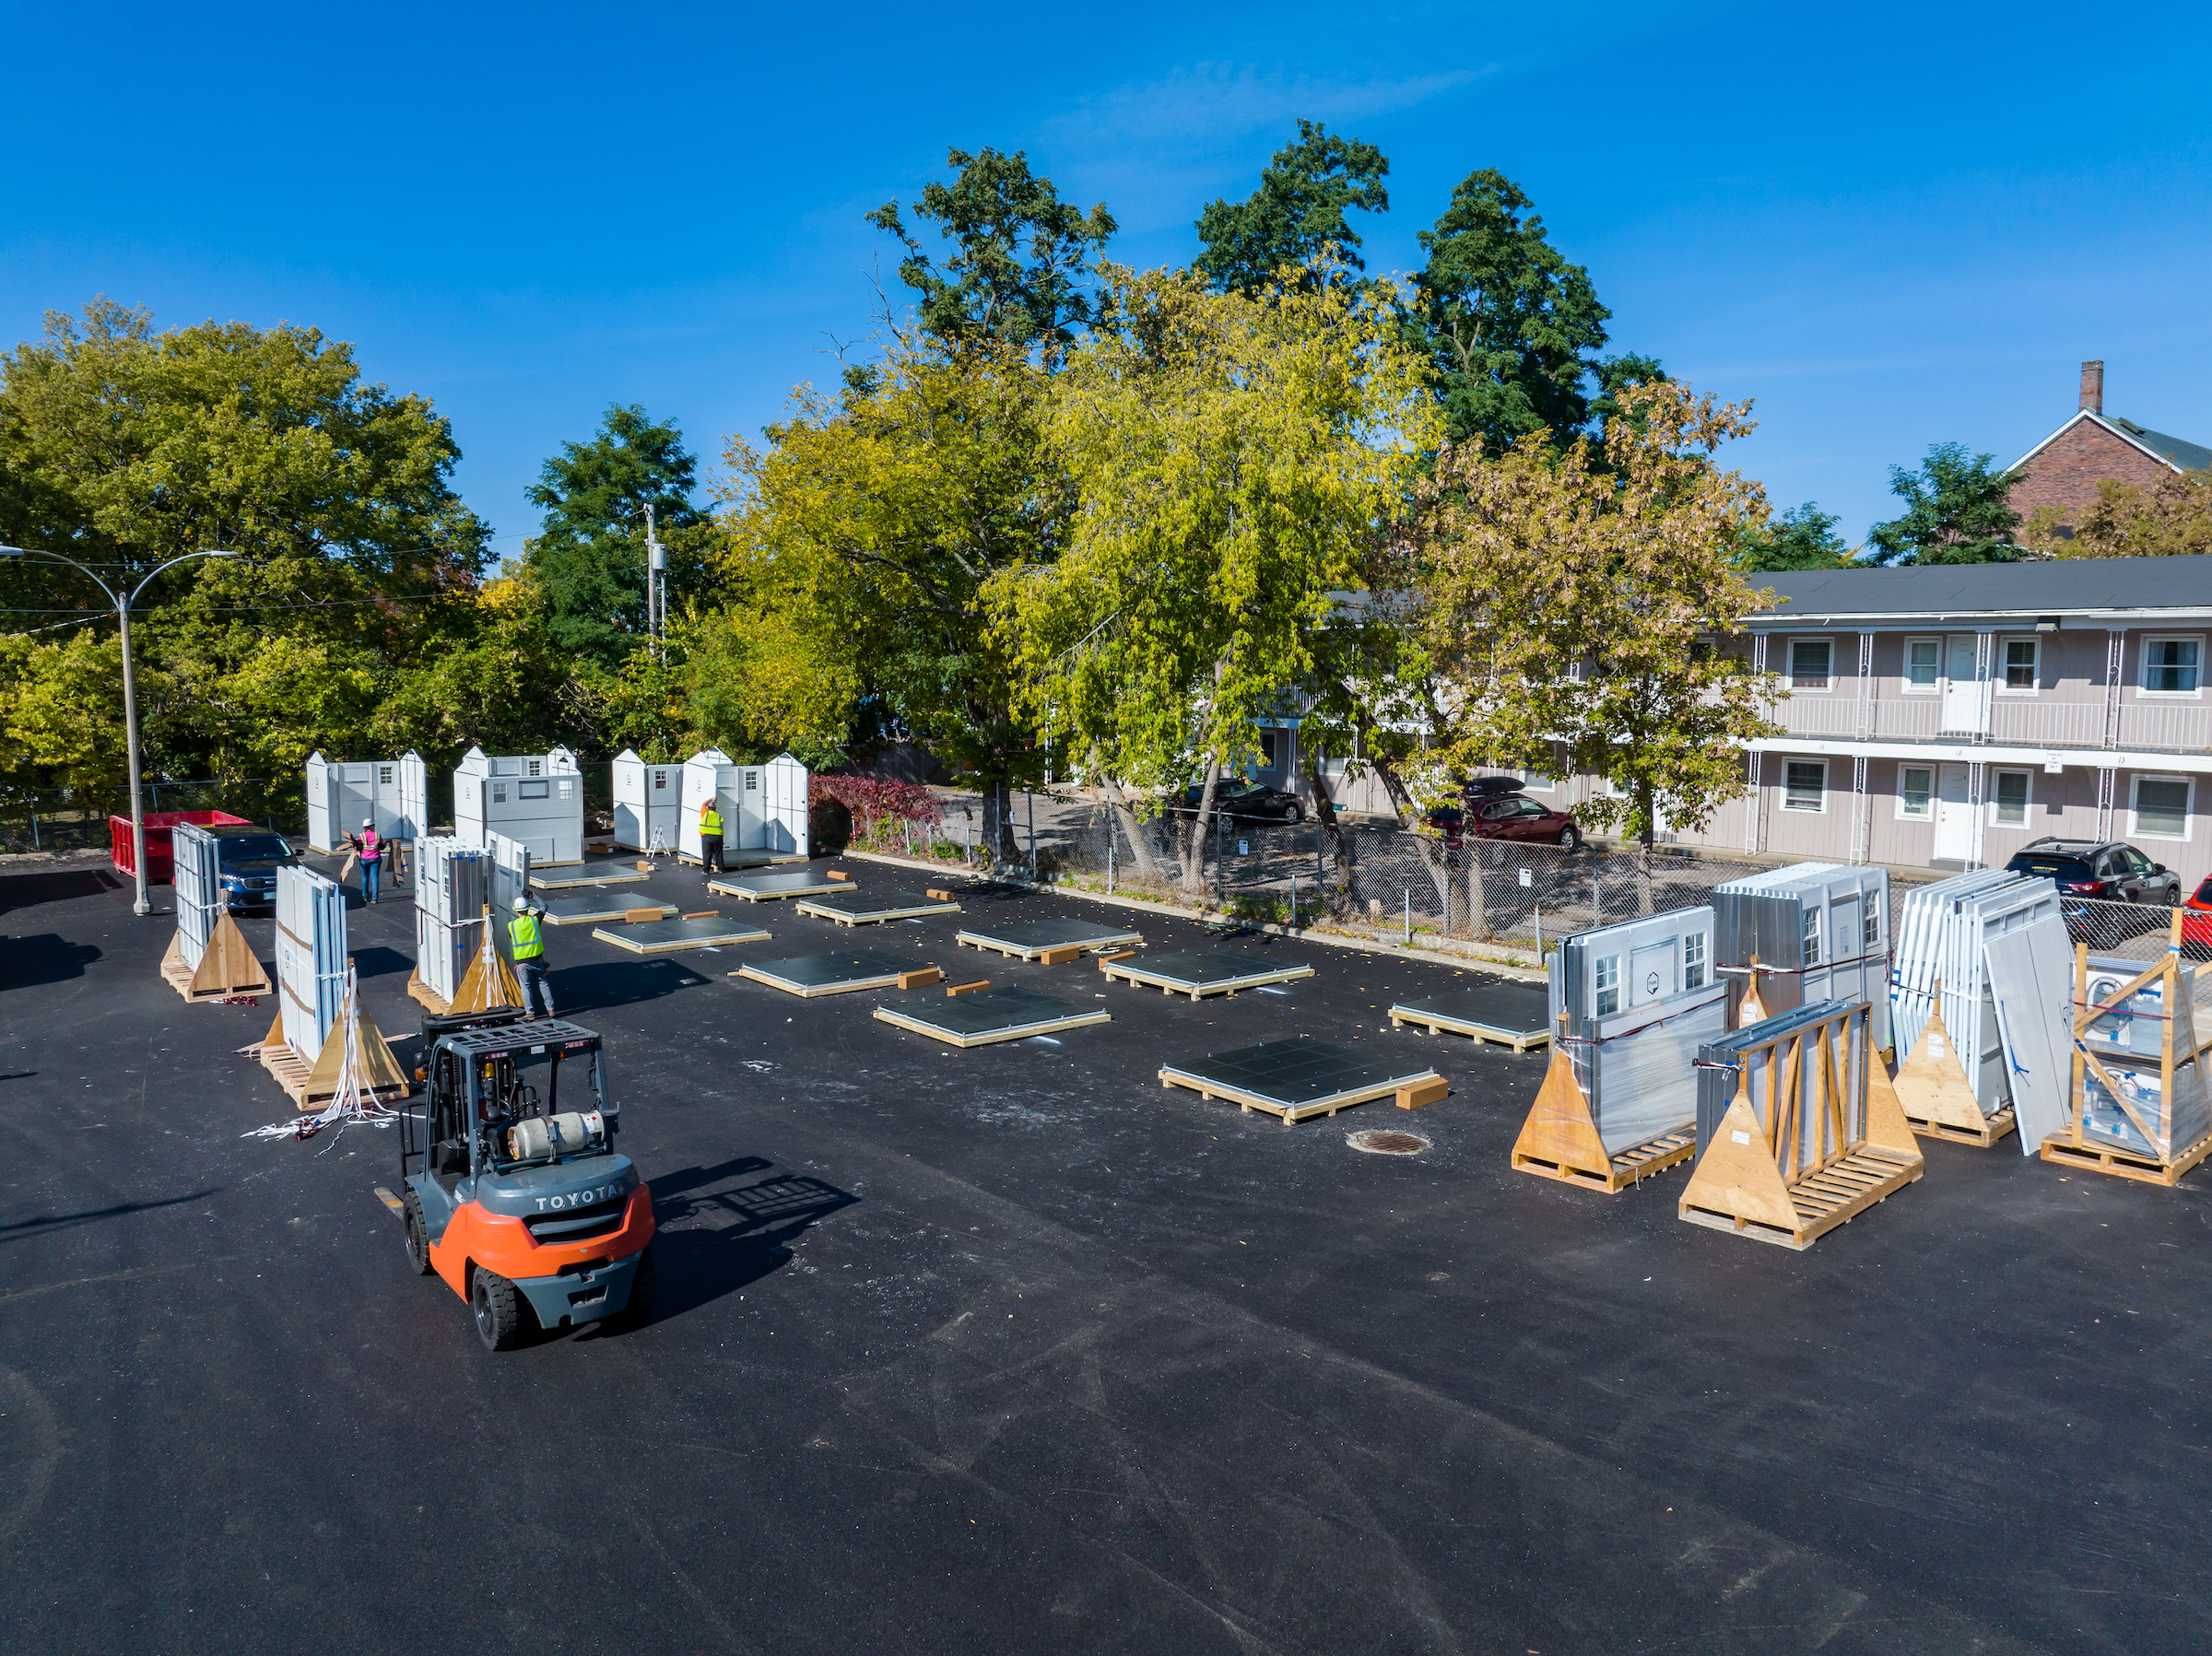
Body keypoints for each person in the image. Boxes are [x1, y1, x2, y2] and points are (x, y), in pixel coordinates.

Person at [510, 892, 555, 1018]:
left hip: (521, 962)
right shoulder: (535, 920)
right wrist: (532, 895)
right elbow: (544, 906)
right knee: (543, 983)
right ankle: (550, 1009)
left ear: (516, 911)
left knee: (525, 987)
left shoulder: (511, 926)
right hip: (537, 959)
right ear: (527, 909)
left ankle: (530, 1013)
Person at [354, 817, 381, 904]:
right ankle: (374, 898)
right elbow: (382, 847)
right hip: (376, 858)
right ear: (372, 826)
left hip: (364, 859)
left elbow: (358, 845)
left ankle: (365, 896)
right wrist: (388, 842)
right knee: (374, 877)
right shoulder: (377, 835)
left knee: (365, 877)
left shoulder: (361, 836)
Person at [698, 796, 724, 878]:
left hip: (707, 837)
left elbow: (703, 804)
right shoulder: (719, 816)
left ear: (708, 808)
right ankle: (721, 869)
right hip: (718, 837)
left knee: (707, 854)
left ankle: (706, 871)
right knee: (718, 853)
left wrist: (712, 799)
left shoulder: (705, 813)